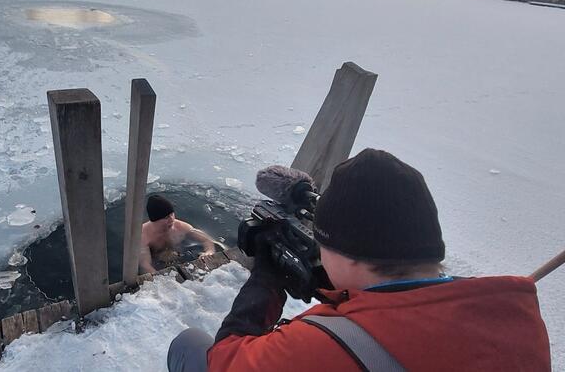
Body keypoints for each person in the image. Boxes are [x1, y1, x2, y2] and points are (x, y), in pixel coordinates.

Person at [167, 149, 551, 371]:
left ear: (345, 255)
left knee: (190, 346)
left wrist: (266, 280)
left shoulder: (323, 346)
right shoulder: (514, 318)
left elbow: (226, 361)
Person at [140, 194, 217, 274]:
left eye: (172, 214)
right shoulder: (143, 236)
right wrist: (160, 278)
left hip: (179, 256)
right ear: (155, 220)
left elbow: (206, 240)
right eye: (166, 217)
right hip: (158, 263)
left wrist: (209, 252)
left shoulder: (180, 227)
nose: (172, 219)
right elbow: (145, 265)